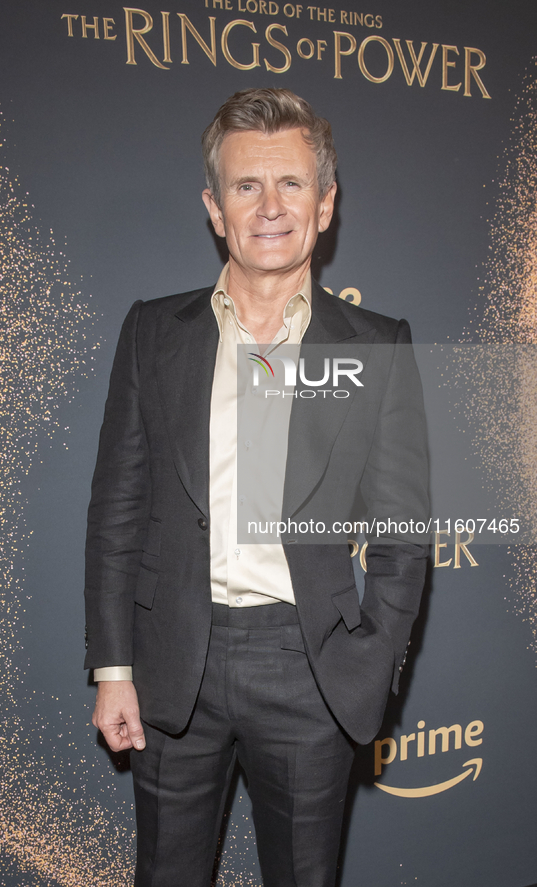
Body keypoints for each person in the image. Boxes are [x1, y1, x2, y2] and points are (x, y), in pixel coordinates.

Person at [84, 87, 429, 887]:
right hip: (175, 663)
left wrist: (368, 668)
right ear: (214, 207)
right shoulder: (150, 332)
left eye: (291, 184)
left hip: (309, 665)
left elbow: (403, 533)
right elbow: (116, 510)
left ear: (325, 203)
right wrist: (113, 668)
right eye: (246, 186)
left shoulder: (379, 345)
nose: (269, 206)